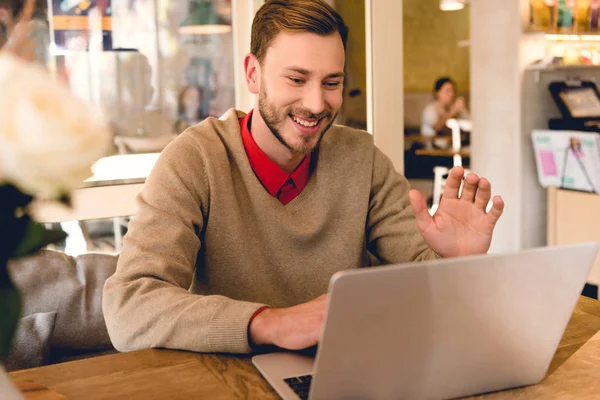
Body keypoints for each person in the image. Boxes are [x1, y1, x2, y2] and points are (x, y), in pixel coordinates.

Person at [103, 0, 504, 354]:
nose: (316, 104)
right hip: (226, 379)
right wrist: (274, 323)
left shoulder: (362, 158)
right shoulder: (195, 160)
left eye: (332, 83)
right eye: (296, 79)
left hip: (346, 372)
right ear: (253, 74)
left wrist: (454, 263)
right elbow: (130, 307)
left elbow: (419, 281)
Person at [421, 77, 470, 149]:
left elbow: (470, 124)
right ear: (438, 93)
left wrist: (462, 110)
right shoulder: (430, 109)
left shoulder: (452, 107)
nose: (451, 94)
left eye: (453, 91)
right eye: (447, 91)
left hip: (452, 148)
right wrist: (453, 111)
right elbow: (436, 127)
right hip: (432, 152)